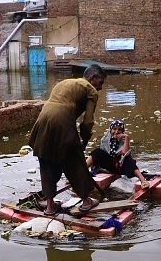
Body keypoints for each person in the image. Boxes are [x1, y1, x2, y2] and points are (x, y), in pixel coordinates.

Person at [28, 64, 107, 215]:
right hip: (62, 120)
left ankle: (50, 206)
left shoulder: (66, 82)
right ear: (93, 78)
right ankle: (86, 201)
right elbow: (88, 121)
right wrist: (83, 141)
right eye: (101, 82)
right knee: (75, 162)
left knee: (47, 161)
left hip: (42, 119)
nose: (101, 87)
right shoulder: (90, 89)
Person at [86, 119, 150, 189]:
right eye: (114, 129)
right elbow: (101, 155)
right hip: (110, 166)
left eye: (119, 129)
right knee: (97, 152)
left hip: (121, 167)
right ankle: (83, 169)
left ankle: (143, 181)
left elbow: (124, 154)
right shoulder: (105, 140)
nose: (116, 132)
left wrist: (126, 137)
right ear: (110, 130)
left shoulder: (123, 141)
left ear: (122, 131)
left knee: (128, 158)